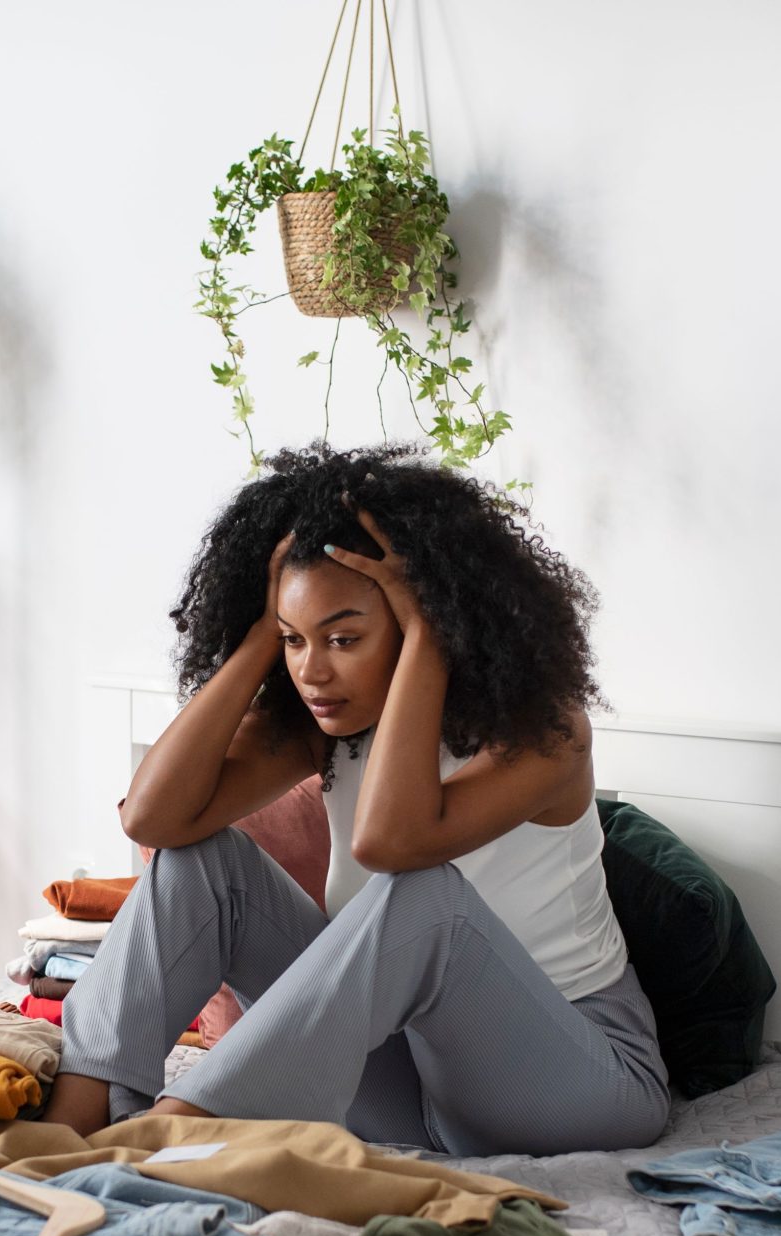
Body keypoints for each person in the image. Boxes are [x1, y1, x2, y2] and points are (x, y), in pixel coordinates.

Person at [43, 442, 669, 1158]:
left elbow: (391, 845)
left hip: (576, 1081)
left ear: (419, 620)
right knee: (204, 859)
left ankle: (183, 1125)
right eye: (295, 640)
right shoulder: (330, 722)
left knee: (425, 895)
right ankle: (73, 1115)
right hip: (404, 1089)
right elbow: (152, 818)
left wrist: (431, 630)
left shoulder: (545, 733)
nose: (312, 670)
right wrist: (256, 635)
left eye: (342, 637)